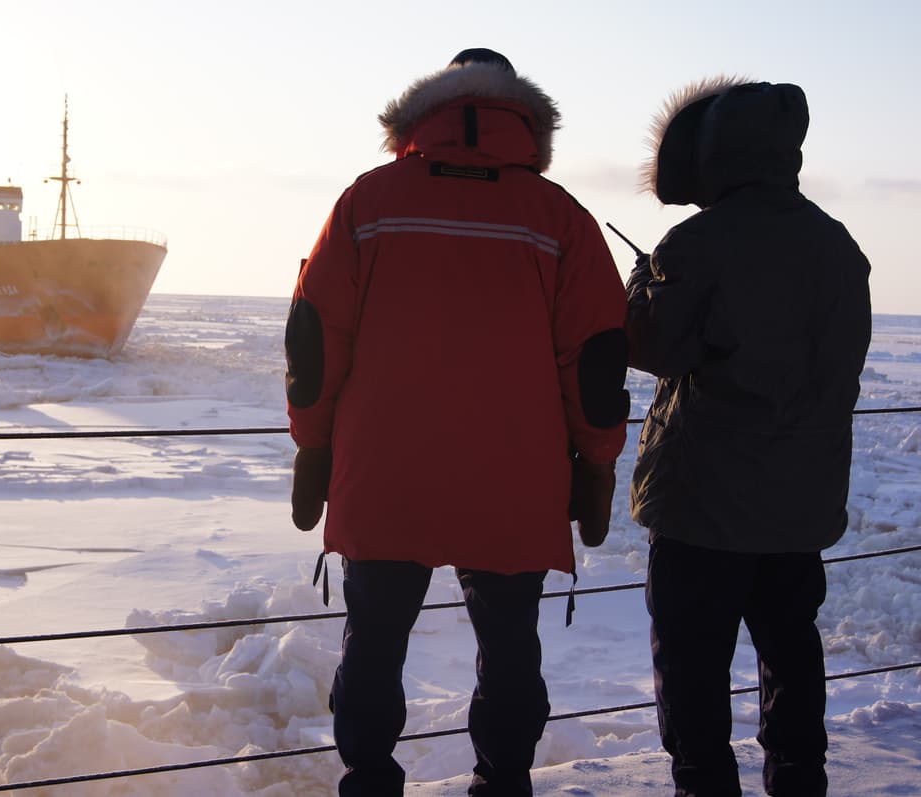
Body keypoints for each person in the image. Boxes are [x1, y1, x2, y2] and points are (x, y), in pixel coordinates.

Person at [284, 48, 630, 797]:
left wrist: (313, 448)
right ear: (525, 122)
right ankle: (502, 783)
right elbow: (597, 356)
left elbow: (314, 339)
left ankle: (369, 782)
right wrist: (596, 465)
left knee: (373, 646)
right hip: (515, 481)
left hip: (384, 476)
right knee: (510, 651)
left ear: (426, 116)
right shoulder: (558, 217)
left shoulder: (368, 203)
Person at [625, 77, 872, 797]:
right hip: (798, 507)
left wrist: (644, 285)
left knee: (694, 675)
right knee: (792, 658)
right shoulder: (837, 245)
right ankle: (799, 780)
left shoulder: (699, 241)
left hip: (703, 504)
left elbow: (653, 346)